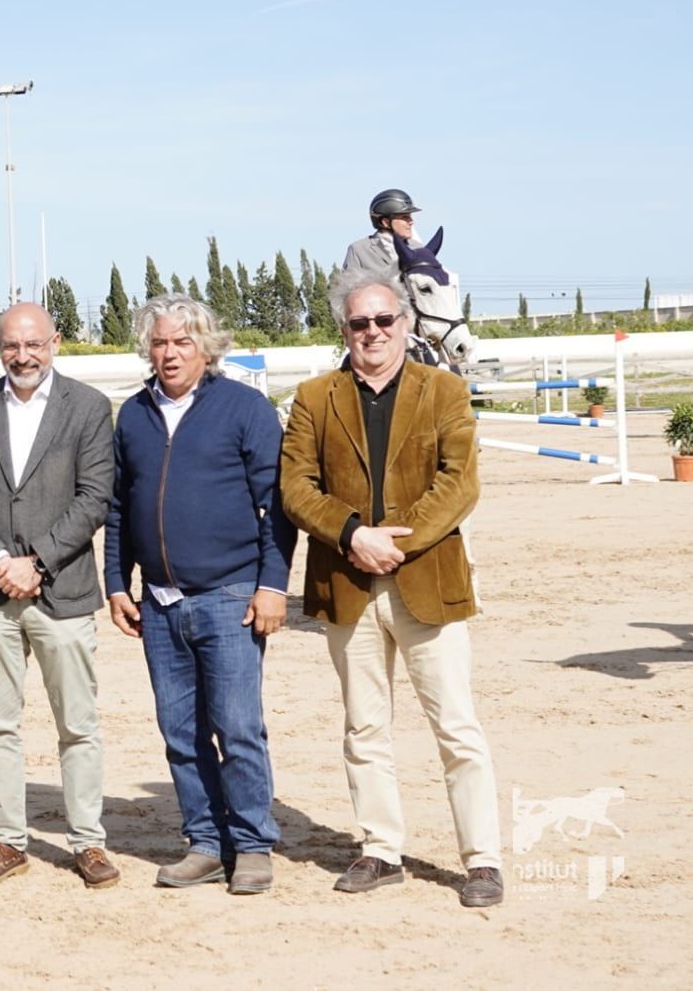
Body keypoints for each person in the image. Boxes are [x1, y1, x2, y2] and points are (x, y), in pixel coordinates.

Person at [278, 269, 504, 908]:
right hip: (348, 583)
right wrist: (352, 535)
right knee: (363, 727)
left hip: (427, 581)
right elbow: (297, 487)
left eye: (384, 321)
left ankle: (482, 859)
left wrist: (392, 543)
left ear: (405, 325)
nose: (372, 332)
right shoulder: (314, 397)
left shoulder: (446, 392)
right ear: (344, 330)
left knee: (456, 726)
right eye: (359, 323)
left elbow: (460, 483)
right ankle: (380, 849)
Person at [103, 294, 296, 895]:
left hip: (230, 595)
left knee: (237, 728)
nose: (170, 354)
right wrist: (116, 583)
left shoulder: (246, 409)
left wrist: (272, 585)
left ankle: (253, 844)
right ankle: (206, 843)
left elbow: (277, 508)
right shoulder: (133, 415)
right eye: (160, 342)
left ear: (206, 348)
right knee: (180, 733)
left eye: (183, 342)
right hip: (157, 605)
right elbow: (117, 508)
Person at [0, 303, 119, 890]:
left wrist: (36, 562)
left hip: (62, 591)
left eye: (34, 345)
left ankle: (88, 842)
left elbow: (94, 498)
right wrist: (0, 561)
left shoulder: (90, 409)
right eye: (12, 346)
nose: (23, 356)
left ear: (56, 343)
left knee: (79, 725)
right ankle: (7, 840)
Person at [343, 188, 423, 283]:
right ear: (385, 222)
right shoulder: (359, 250)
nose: (411, 222)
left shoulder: (419, 249)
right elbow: (347, 290)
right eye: (405, 217)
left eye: (410, 217)